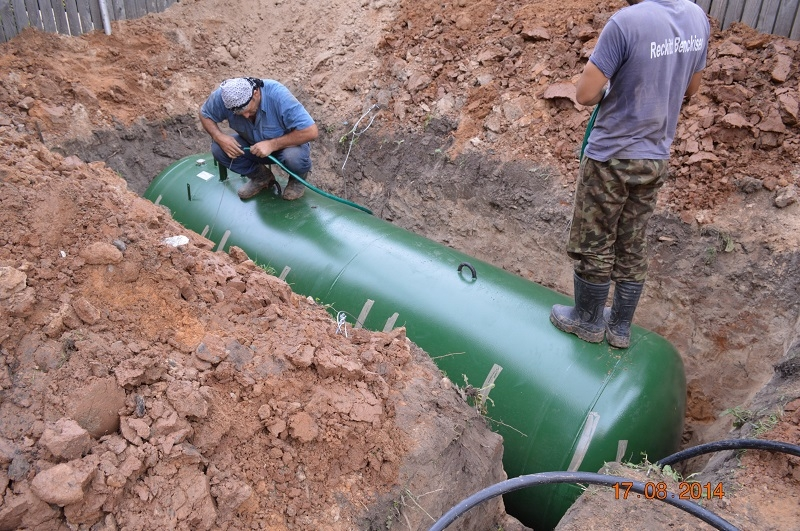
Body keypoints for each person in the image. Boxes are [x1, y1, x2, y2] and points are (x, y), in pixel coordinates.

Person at [550, 0, 710, 348]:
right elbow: (692, 89)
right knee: (632, 240)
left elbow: (585, 93)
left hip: (612, 156)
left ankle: (587, 320)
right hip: (654, 157)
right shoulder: (697, 18)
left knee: (596, 239)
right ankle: (620, 327)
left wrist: (614, 86)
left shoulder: (625, 23)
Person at [199, 77, 319, 200]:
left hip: (286, 147)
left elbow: (311, 131)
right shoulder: (225, 97)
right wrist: (219, 137)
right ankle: (261, 177)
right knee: (218, 148)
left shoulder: (277, 95)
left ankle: (296, 180)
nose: (245, 116)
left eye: (247, 110)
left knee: (294, 157)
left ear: (255, 93)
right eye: (239, 113)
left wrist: (273, 144)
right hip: (253, 147)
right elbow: (204, 114)